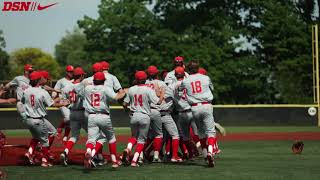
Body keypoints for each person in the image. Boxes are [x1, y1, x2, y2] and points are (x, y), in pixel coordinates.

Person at [21, 71, 69, 167]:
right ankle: (44, 161)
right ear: (39, 80)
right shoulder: (42, 92)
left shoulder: (26, 91)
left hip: (29, 119)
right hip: (38, 119)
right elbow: (53, 104)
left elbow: (23, 101)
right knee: (45, 142)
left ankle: (30, 153)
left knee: (52, 132)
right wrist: (64, 103)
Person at [81, 72, 126, 169]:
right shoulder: (105, 88)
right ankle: (114, 161)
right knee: (111, 138)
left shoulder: (87, 88)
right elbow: (116, 97)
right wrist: (123, 92)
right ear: (104, 80)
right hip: (103, 116)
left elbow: (82, 90)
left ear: (93, 80)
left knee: (92, 139)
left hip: (91, 116)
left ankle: (89, 152)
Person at [180, 61, 217, 167]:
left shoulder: (186, 81)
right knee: (210, 132)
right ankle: (210, 152)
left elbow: (179, 89)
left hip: (194, 108)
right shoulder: (206, 78)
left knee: (200, 132)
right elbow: (212, 89)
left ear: (188, 69)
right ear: (198, 68)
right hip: (206, 105)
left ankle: (206, 156)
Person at [122, 71, 164, 167]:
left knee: (134, 137)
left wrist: (127, 111)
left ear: (136, 79)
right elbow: (158, 102)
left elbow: (125, 104)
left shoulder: (131, 89)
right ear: (145, 79)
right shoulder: (148, 89)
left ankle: (128, 148)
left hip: (134, 115)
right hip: (145, 116)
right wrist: (162, 94)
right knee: (141, 140)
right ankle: (134, 161)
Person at [59, 67, 87, 166]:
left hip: (72, 113)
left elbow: (63, 102)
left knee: (74, 136)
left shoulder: (66, 87)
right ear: (81, 75)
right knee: (94, 136)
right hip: (83, 113)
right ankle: (92, 156)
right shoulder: (83, 86)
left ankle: (65, 152)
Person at [52, 65, 74, 144]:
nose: (71, 73)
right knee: (68, 118)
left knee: (71, 120)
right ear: (66, 72)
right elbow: (55, 90)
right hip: (62, 102)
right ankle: (60, 128)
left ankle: (65, 137)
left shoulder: (75, 80)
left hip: (72, 102)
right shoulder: (61, 81)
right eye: (70, 71)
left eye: (72, 71)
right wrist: (54, 95)